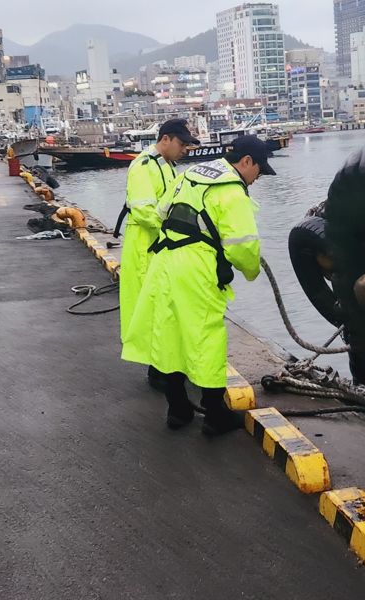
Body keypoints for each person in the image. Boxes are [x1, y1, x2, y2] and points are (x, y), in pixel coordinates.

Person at [121, 135, 276, 436]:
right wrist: (251, 270)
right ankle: (215, 415)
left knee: (170, 334)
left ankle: (177, 410)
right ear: (246, 162)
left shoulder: (191, 173)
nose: (258, 178)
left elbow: (163, 211)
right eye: (259, 170)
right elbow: (242, 248)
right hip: (197, 269)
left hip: (165, 261)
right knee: (206, 338)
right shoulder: (232, 191)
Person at [114, 118, 200, 387]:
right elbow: (145, 210)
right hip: (145, 246)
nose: (185, 149)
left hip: (161, 245)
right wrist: (175, 230)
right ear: (165, 139)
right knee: (151, 306)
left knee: (163, 305)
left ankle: (165, 366)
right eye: (182, 143)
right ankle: (157, 371)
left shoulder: (168, 166)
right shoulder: (143, 166)